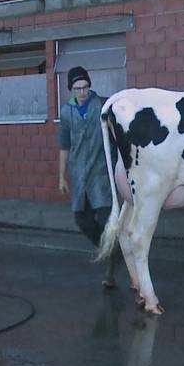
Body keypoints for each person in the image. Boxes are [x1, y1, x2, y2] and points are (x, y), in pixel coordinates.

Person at [58, 66, 122, 287]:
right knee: (82, 220)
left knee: (106, 222)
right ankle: (111, 251)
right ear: (71, 90)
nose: (82, 92)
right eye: (77, 88)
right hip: (79, 175)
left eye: (85, 87)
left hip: (103, 175)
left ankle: (111, 268)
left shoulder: (103, 106)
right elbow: (64, 145)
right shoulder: (66, 112)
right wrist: (61, 176)